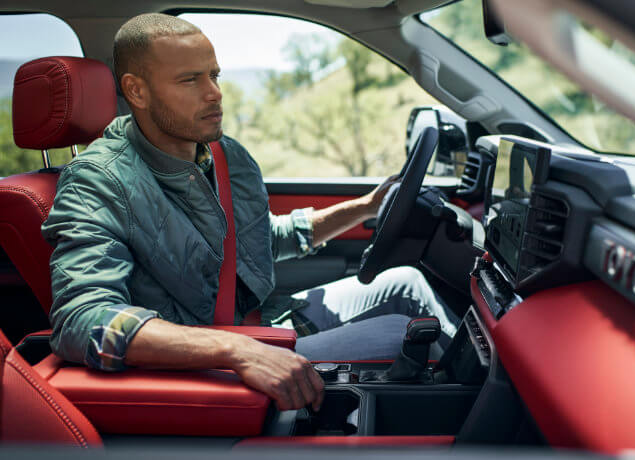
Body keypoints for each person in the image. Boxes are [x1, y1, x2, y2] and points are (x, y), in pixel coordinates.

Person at [41, 13, 458, 412]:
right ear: (137, 91)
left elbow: (257, 240)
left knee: (406, 283)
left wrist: (365, 207)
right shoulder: (96, 181)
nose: (214, 93)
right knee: (402, 337)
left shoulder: (223, 157)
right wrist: (238, 350)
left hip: (260, 321)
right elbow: (83, 319)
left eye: (214, 75)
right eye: (190, 80)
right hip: (207, 362)